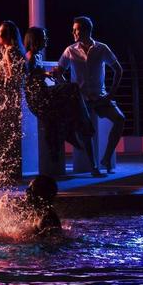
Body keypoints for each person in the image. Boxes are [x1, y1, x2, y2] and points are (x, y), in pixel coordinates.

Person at [23, 27, 103, 177]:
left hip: (43, 93)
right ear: (36, 40)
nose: (46, 40)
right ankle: (76, 130)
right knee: (73, 88)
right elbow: (29, 79)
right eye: (44, 37)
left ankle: (74, 130)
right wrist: (45, 75)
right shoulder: (31, 56)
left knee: (72, 94)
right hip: (38, 98)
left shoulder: (37, 55)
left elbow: (37, 75)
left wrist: (47, 74)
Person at [54, 16, 125, 174]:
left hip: (100, 97)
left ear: (87, 30)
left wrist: (111, 94)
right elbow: (59, 72)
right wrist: (69, 88)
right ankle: (94, 167)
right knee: (86, 132)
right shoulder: (70, 50)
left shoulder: (101, 48)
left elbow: (118, 69)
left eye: (76, 29)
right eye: (73, 30)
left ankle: (106, 158)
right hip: (81, 100)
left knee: (120, 119)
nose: (73, 32)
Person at [0, 20, 26, 184]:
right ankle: (6, 173)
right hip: (9, 99)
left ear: (8, 36)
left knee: (3, 137)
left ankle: (5, 174)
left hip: (6, 99)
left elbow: (12, 77)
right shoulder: (13, 51)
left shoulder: (10, 52)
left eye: (0, 32)